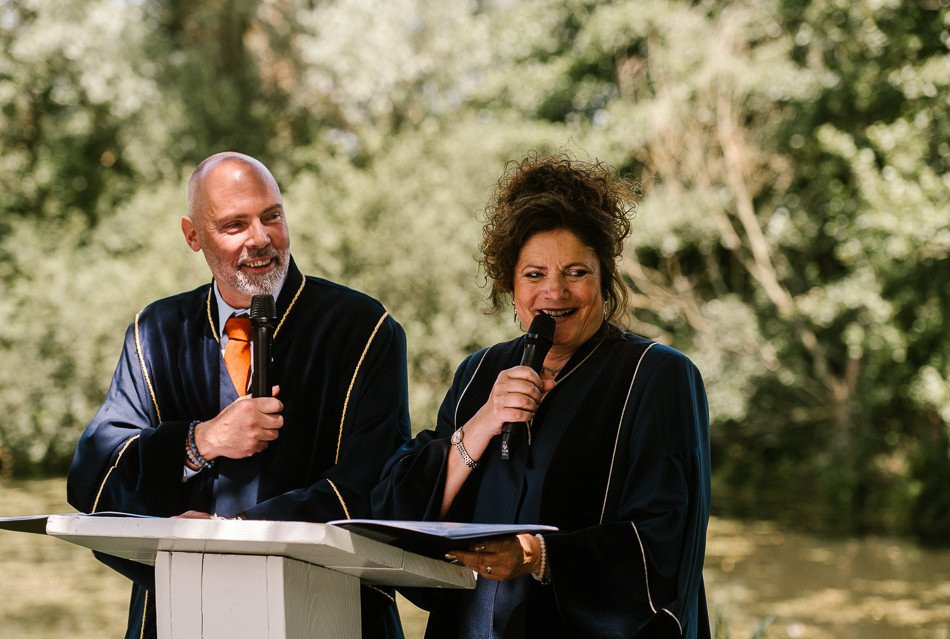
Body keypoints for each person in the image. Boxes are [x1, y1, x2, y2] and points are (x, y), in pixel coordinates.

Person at [66, 152, 410, 639]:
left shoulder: (364, 329)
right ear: (192, 236)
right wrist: (199, 441)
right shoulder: (155, 334)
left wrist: (228, 536)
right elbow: (91, 482)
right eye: (235, 225)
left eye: (272, 216)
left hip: (328, 614)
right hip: (179, 616)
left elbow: (376, 486)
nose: (261, 238)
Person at [373, 153, 711, 638]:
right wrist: (485, 420)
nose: (555, 292)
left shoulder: (656, 376)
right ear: (509, 283)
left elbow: (668, 538)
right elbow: (396, 511)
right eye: (534, 275)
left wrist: (538, 556)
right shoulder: (478, 372)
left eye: (576, 272)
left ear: (605, 276)